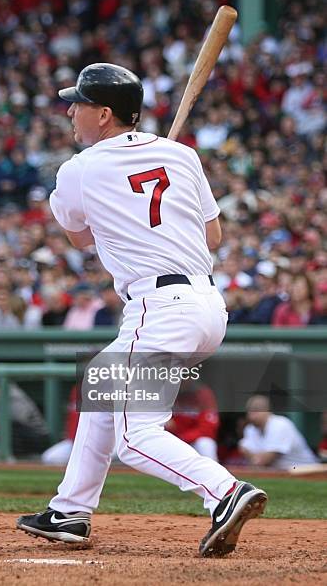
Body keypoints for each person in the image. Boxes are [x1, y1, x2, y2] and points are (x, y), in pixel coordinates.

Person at [17, 62, 267, 558]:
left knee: (136, 437)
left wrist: (125, 208)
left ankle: (225, 492)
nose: (71, 111)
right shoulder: (181, 155)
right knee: (103, 385)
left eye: (80, 104)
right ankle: (70, 511)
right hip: (205, 306)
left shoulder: (79, 170)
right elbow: (212, 236)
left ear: (104, 114)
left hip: (158, 306)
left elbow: (79, 237)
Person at [239, 395, 319, 470]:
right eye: (249, 411)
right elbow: (248, 454)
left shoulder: (280, 424)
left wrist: (255, 457)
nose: (251, 415)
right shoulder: (250, 429)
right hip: (282, 473)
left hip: (306, 470)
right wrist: (255, 458)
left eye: (256, 411)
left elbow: (264, 461)